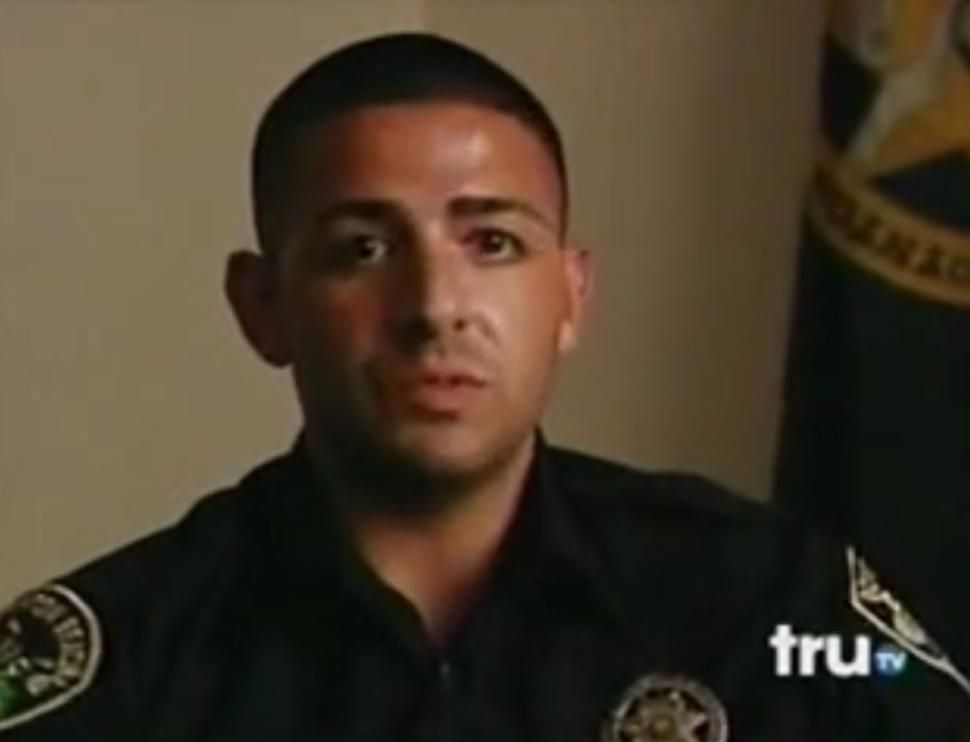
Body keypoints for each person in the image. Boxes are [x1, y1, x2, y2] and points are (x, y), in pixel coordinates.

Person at [0, 32, 967, 742]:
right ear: (264, 306)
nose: (434, 307)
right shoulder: (121, 660)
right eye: (362, 249)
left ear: (571, 297)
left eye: (493, 242)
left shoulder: (778, 609)